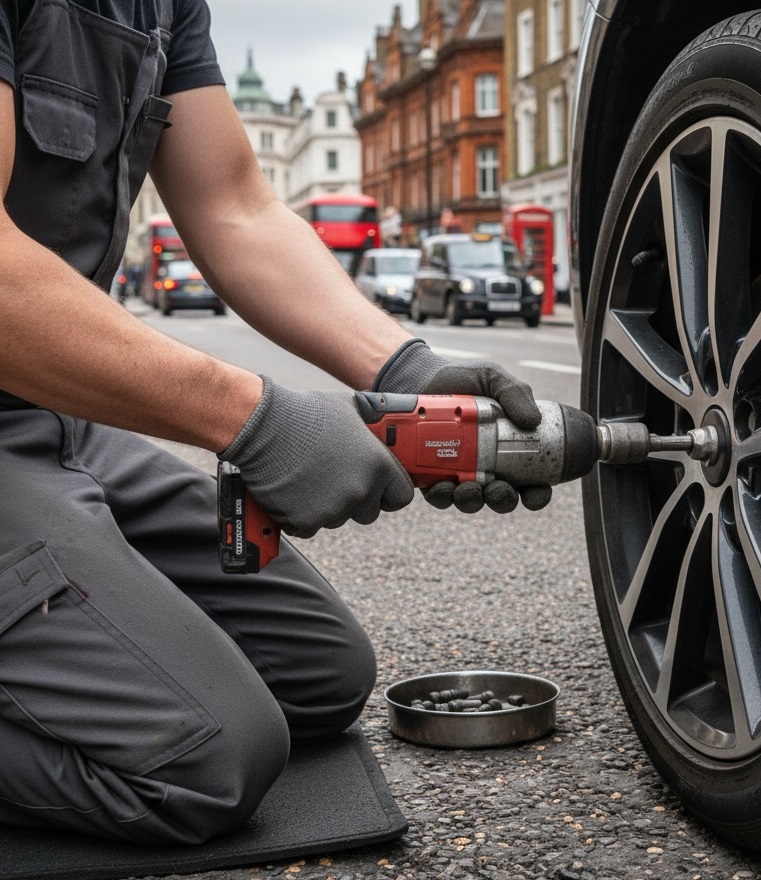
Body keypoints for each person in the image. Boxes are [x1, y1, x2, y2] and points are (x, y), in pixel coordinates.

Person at [0, 0, 550, 847]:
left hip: (51, 411)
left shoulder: (161, 7)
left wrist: (407, 372)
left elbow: (235, 207)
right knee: (205, 759)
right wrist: (255, 421)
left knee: (318, 678)